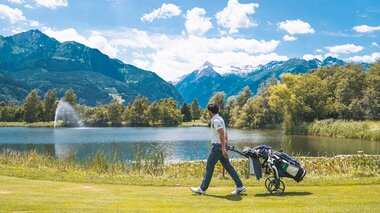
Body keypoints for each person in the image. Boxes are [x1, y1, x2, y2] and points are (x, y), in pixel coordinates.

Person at [191, 103, 246, 195]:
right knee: (228, 167)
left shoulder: (216, 120)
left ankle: (202, 189)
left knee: (209, 166)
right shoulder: (220, 119)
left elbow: (221, 134)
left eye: (208, 111)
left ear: (210, 111)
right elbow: (225, 134)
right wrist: (226, 145)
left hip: (217, 148)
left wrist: (224, 148)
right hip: (221, 147)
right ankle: (240, 186)